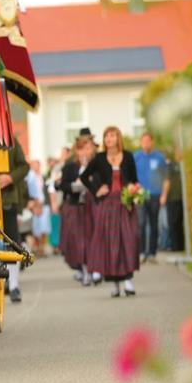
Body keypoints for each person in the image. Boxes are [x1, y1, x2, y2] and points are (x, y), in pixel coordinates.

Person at [80, 126, 140, 297]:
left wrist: (134, 192)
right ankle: (115, 284)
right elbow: (84, 176)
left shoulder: (128, 156)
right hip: (108, 205)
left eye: (112, 135)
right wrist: (97, 190)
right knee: (111, 243)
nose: (109, 139)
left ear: (118, 138)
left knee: (128, 240)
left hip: (125, 203)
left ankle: (128, 282)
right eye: (106, 136)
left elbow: (135, 180)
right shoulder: (99, 158)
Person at [59, 136, 100, 285]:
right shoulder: (70, 167)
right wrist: (73, 187)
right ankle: (84, 270)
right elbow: (62, 185)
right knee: (79, 241)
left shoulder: (98, 165)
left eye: (88, 148)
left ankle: (94, 269)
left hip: (93, 207)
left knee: (93, 238)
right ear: (77, 151)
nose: (85, 152)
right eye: (82, 148)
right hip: (76, 207)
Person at [0, 137, 30, 303]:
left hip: (8, 197)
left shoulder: (9, 139)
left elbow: (24, 166)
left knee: (11, 241)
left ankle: (14, 284)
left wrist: (10, 178)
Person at [133, 132, 169, 263]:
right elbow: (130, 177)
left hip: (155, 195)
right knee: (141, 223)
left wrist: (164, 194)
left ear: (152, 142)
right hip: (140, 195)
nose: (146, 143)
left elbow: (166, 178)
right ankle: (142, 252)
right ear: (141, 142)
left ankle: (152, 253)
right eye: (144, 141)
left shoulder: (159, 157)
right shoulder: (136, 157)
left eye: (148, 141)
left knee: (154, 224)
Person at [25, 160, 51, 257]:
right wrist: (34, 205)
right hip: (34, 205)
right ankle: (37, 247)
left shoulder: (43, 177)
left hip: (44, 204)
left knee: (44, 228)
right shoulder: (30, 178)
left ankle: (42, 247)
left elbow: (48, 190)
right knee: (36, 228)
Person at [166, 146, 185, 252]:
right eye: (178, 152)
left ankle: (181, 247)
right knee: (173, 223)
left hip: (182, 198)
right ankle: (175, 247)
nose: (179, 154)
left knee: (180, 223)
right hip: (172, 198)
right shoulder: (171, 165)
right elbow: (167, 180)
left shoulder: (184, 165)